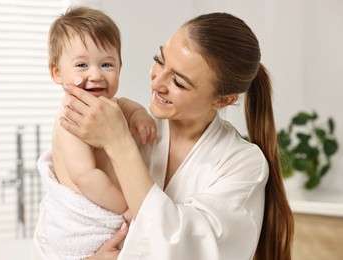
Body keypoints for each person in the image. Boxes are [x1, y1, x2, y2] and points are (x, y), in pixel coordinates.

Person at [60, 12, 295, 260]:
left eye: (179, 83)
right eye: (159, 61)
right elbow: (60, 216)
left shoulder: (242, 163)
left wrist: (119, 145)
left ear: (223, 100)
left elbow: (187, 250)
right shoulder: (127, 123)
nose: (156, 84)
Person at [32, 6, 156, 260]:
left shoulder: (110, 105)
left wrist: (139, 115)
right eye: (81, 65)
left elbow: (126, 105)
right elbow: (85, 176)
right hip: (91, 219)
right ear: (57, 72)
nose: (96, 74)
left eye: (107, 64)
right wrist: (125, 206)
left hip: (108, 204)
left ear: (120, 67)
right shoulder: (71, 118)